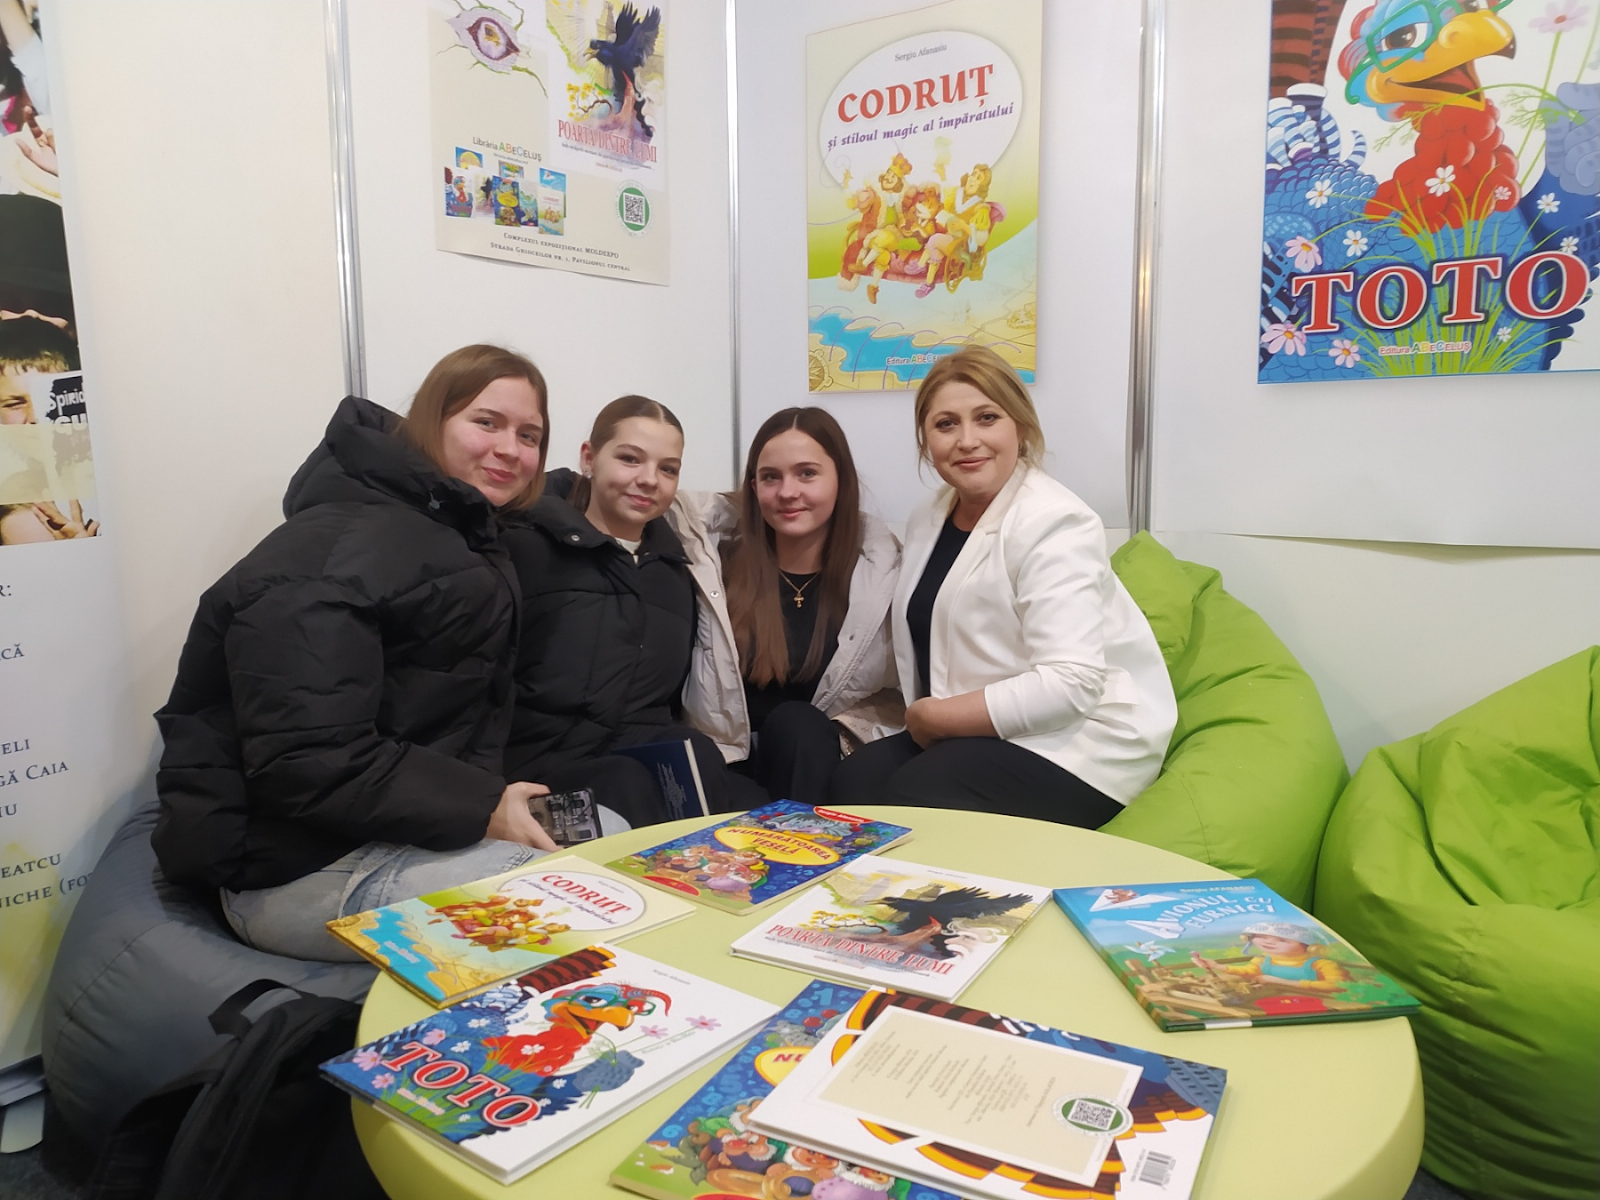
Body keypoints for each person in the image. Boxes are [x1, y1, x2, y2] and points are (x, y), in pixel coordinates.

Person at [152, 344, 561, 962]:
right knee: (564, 907)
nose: (511, 449)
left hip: (396, 833)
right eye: (486, 422)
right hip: (289, 868)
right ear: (431, 421)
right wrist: (484, 807)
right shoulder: (328, 556)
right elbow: (307, 758)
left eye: (529, 435)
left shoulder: (461, 539)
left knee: (609, 839)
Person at [829, 345, 1176, 827]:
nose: (967, 440)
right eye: (946, 424)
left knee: (916, 795)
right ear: (926, 441)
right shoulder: (929, 516)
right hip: (977, 733)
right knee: (851, 785)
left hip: (1081, 744)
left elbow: (1071, 684)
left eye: (987, 418)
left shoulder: (1055, 522)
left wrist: (933, 717)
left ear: (1021, 427)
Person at [501, 395, 764, 823]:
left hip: (631, 754)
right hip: (532, 775)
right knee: (625, 782)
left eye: (668, 469)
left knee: (722, 775)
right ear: (589, 458)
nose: (648, 480)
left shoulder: (677, 572)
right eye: (630, 459)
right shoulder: (526, 546)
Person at [670, 407, 902, 803]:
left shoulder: (880, 576)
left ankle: (799, 838)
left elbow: (896, 696)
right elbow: (647, 495)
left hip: (819, 762)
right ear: (753, 486)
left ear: (841, 480)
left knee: (798, 724)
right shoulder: (711, 565)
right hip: (728, 765)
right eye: (770, 477)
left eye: (807, 473)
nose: (788, 492)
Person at [1191, 923, 1351, 990]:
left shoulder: (1321, 964)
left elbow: (1336, 985)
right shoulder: (1262, 960)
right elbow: (1248, 971)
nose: (1269, 943)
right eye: (1262, 937)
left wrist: (1282, 981)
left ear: (1309, 946)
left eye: (1283, 940)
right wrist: (1216, 966)